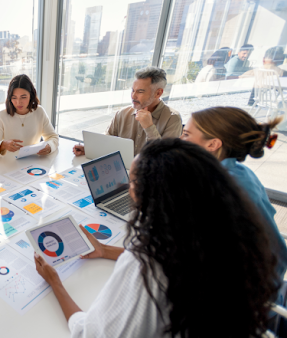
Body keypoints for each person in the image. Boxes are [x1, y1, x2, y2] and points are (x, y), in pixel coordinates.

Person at [35, 138, 279, 337]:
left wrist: (55, 283)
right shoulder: (221, 232)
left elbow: (92, 333)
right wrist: (106, 251)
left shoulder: (146, 263)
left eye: (131, 181)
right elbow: (174, 259)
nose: (127, 187)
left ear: (153, 194)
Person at [180, 106, 287, 277]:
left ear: (213, 144)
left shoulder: (220, 188)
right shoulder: (239, 172)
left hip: (247, 291)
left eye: (186, 134)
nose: (179, 139)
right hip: (269, 275)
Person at [72, 67, 182, 156]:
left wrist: (149, 127)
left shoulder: (172, 118)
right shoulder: (123, 113)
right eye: (133, 90)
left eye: (140, 91)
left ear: (158, 93)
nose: (133, 96)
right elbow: (107, 139)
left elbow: (166, 158)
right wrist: (90, 149)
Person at [0, 74, 59, 156]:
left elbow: (53, 137)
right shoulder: (2, 116)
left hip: (33, 162)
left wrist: (49, 146)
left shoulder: (39, 112)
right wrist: (3, 145)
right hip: (8, 165)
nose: (18, 102)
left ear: (31, 95)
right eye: (14, 98)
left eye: (23, 97)